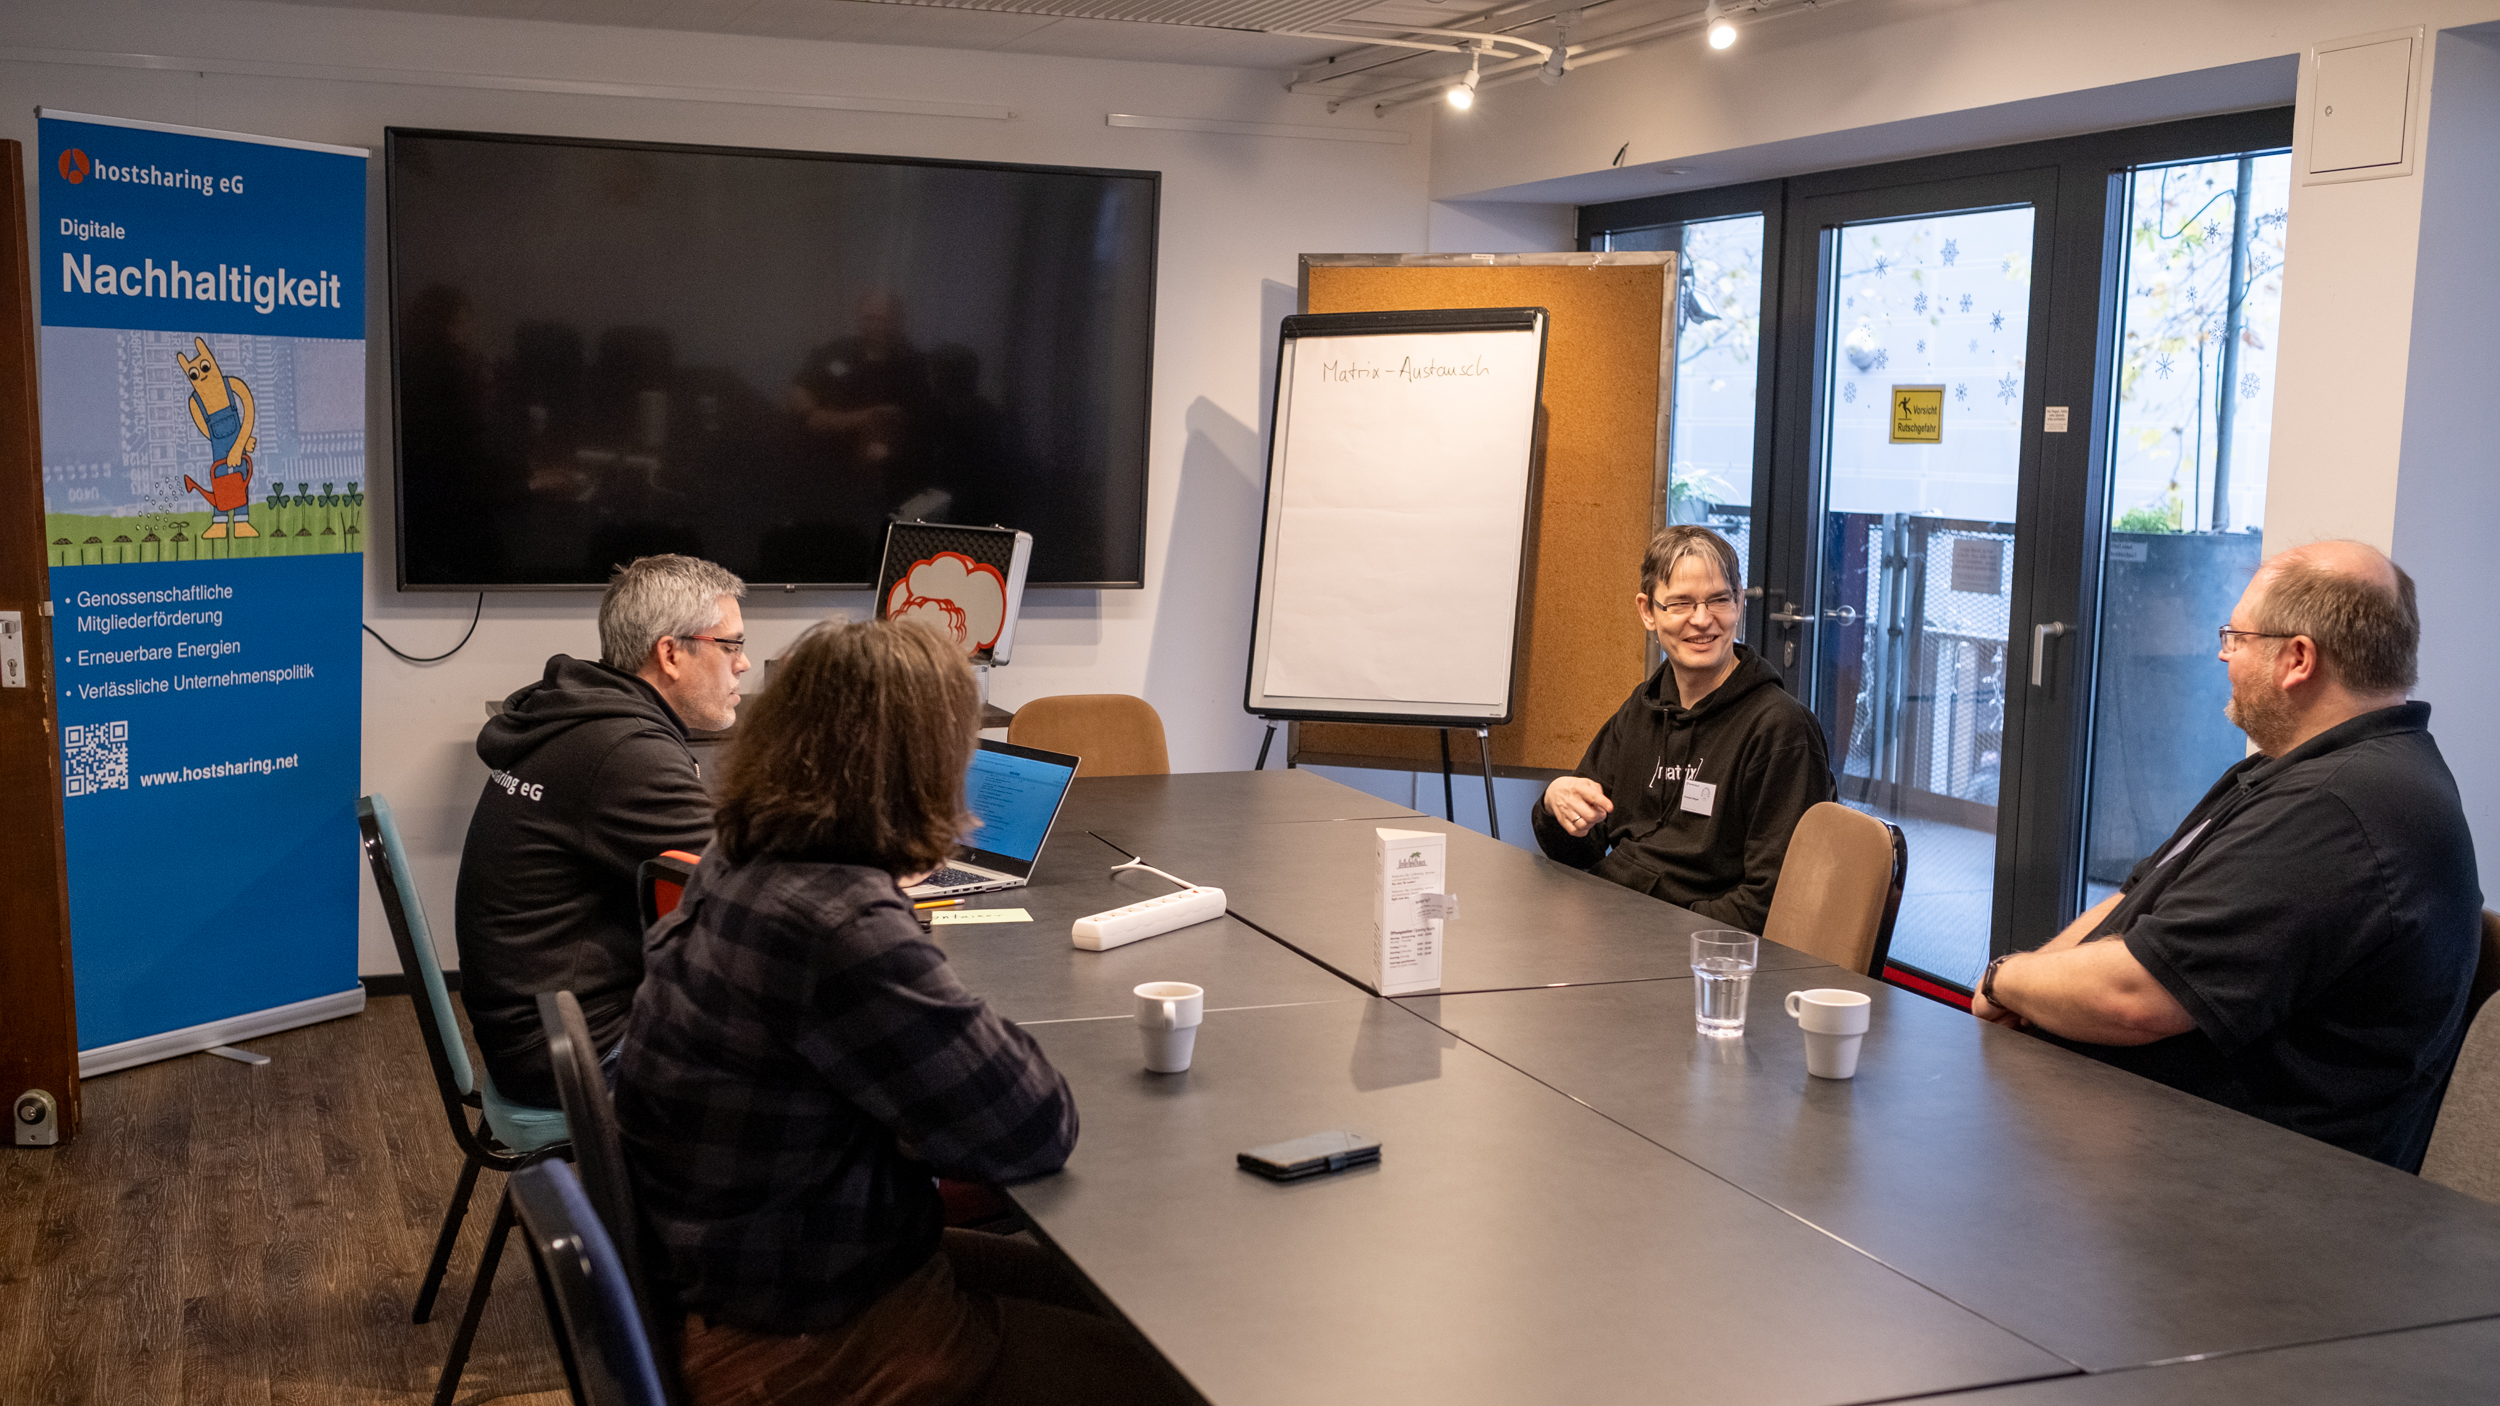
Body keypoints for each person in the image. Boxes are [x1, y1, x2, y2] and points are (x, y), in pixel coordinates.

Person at [614, 620, 1188, 1405]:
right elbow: (1033, 1128)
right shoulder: (836, 924)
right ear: (920, 765)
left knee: (1132, 1304)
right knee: (1170, 1374)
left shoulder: (741, 860)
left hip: (748, 1277)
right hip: (807, 1342)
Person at [1971, 540, 2482, 1171]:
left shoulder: (2343, 807)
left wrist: (2004, 978)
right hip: (2143, 1137)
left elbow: (2137, 997)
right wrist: (2030, 993)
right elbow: (2135, 900)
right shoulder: (2296, 770)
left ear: (2297, 658)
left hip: (2244, 1193)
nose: (2222, 653)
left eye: (2236, 637)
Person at [454, 554, 749, 1107]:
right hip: (575, 1054)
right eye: (731, 645)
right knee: (817, 1063)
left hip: (536, 1029)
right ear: (671, 654)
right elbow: (752, 882)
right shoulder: (622, 751)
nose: (745, 663)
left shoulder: (585, 718)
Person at [1532, 525, 1836, 931]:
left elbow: (1772, 901)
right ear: (1647, 611)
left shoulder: (1781, 730)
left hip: (1697, 956)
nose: (1702, 620)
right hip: (1615, 925)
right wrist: (1554, 803)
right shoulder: (1643, 708)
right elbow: (1578, 849)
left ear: (1739, 603)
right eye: (1680, 604)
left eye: (1719, 600)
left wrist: (1652, 933)